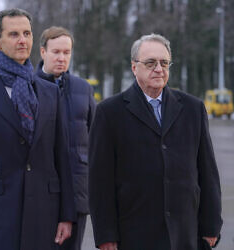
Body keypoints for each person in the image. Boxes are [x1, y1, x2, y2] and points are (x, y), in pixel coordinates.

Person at [0, 8, 76, 250]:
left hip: (45, 212)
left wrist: (66, 214)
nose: (23, 40)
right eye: (14, 34)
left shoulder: (50, 92)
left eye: (27, 33)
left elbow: (62, 156)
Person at [88, 33, 222, 250]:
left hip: (186, 234)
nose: (158, 69)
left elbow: (208, 172)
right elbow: (99, 181)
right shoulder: (109, 112)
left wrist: (211, 226)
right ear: (134, 67)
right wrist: (106, 235)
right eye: (150, 63)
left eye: (164, 63)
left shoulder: (192, 109)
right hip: (134, 234)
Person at [35, 26, 96, 250]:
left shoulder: (84, 89)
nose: (62, 58)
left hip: (77, 190)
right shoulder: (28, 88)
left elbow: (96, 139)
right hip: (41, 192)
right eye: (56, 52)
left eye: (67, 52)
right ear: (43, 52)